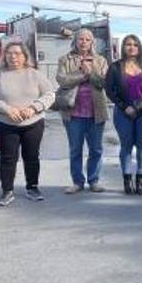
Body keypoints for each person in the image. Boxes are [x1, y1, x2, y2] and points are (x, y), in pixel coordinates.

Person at [0, 42, 56, 207]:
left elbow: (50, 95)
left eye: (17, 53)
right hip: (7, 123)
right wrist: (5, 109)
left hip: (33, 122)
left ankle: (32, 187)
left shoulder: (35, 74)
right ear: (4, 56)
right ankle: (7, 191)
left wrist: (34, 108)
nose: (13, 56)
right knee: (8, 158)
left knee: (32, 157)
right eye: (9, 53)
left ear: (25, 56)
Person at [56, 28, 109, 194]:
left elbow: (103, 82)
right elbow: (62, 80)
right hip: (73, 114)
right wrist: (82, 74)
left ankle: (94, 180)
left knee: (96, 149)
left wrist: (90, 71)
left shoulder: (100, 61)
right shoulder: (65, 59)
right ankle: (77, 182)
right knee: (75, 149)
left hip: (96, 112)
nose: (84, 42)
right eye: (81, 39)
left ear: (92, 42)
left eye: (87, 39)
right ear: (75, 41)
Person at [105, 34, 142, 195]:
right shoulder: (115, 67)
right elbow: (109, 90)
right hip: (123, 112)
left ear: (139, 47)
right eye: (128, 44)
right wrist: (124, 106)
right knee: (126, 146)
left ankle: (141, 180)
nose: (131, 47)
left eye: (135, 44)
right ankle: (127, 180)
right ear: (123, 47)